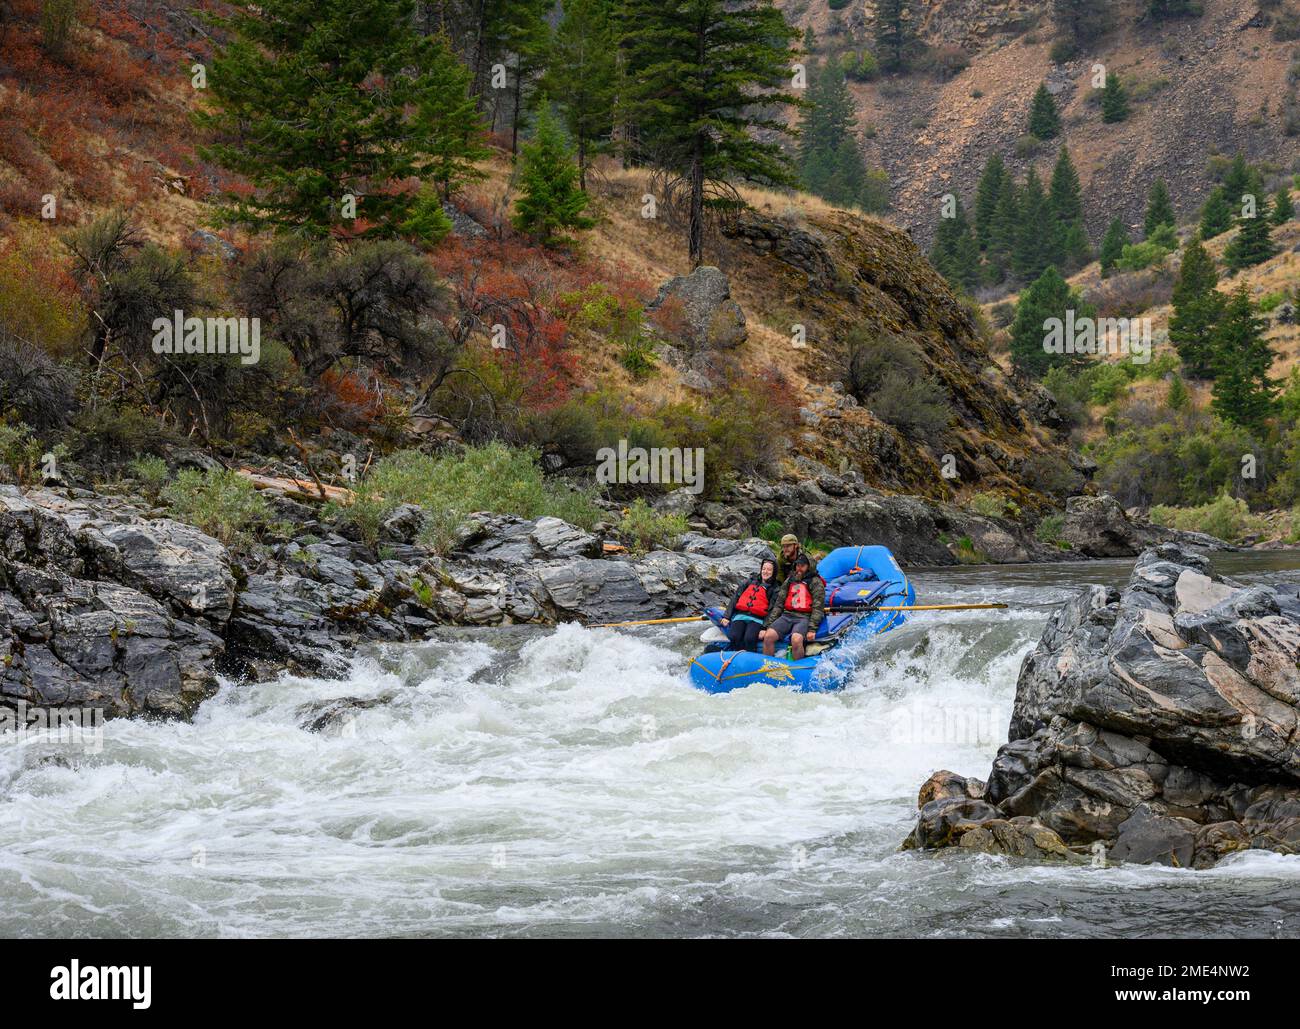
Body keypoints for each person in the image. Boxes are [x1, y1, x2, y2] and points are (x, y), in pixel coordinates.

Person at [761, 554, 825, 661]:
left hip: (804, 617)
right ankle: (767, 665)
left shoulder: (815, 582)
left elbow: (818, 607)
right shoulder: (790, 579)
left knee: (796, 640)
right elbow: (779, 603)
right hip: (787, 615)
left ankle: (797, 667)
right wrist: (767, 625)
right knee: (768, 636)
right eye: (797, 565)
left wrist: (812, 629)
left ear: (809, 567)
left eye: (802, 566)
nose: (799, 568)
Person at [719, 558, 777, 652]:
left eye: (769, 570)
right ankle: (736, 656)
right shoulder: (749, 582)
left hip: (757, 619)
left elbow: (773, 610)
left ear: (773, 572)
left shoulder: (774, 589)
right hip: (741, 615)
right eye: (764, 569)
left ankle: (750, 659)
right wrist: (727, 616)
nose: (765, 572)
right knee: (734, 636)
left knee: (749, 638)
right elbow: (735, 598)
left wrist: (765, 628)